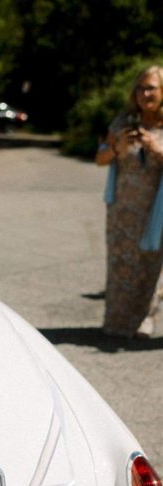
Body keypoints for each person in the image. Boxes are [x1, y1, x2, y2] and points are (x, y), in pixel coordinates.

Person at [95, 65, 163, 339]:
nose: (145, 94)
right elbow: (100, 158)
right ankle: (118, 320)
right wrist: (116, 148)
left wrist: (157, 148)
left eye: (151, 88)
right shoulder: (123, 123)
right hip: (122, 209)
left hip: (156, 210)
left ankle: (146, 318)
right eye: (140, 88)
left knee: (151, 265)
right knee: (121, 264)